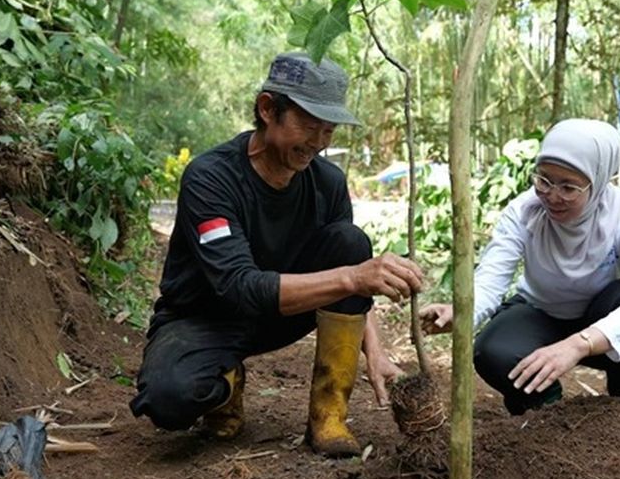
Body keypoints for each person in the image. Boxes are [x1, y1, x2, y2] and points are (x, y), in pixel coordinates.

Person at [129, 52, 424, 457]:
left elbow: (350, 272)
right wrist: (354, 277)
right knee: (168, 399)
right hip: (204, 317)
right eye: (308, 126)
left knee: (350, 241)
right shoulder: (211, 177)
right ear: (268, 109)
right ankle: (225, 382)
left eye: (328, 130)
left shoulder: (328, 183)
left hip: (282, 314)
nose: (318, 143)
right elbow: (240, 286)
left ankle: (328, 417)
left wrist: (375, 351)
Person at [419, 119, 620, 440]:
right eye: (543, 180)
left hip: (602, 320)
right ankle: (548, 415)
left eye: (568, 187)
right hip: (541, 312)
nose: (551, 196)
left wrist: (577, 345)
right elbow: (491, 280)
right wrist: (461, 312)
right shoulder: (523, 211)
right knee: (493, 350)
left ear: (598, 182)